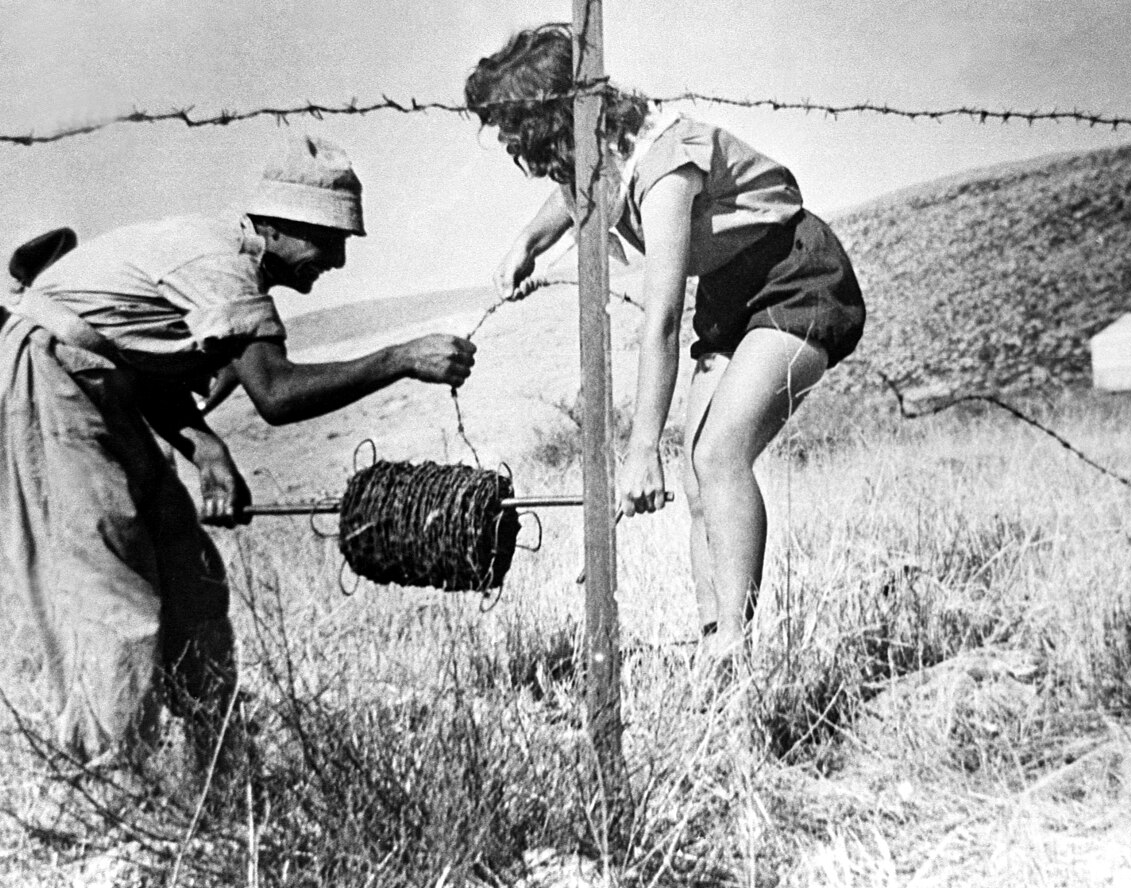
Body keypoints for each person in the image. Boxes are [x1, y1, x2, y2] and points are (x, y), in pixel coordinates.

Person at [0, 135, 476, 772]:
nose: (334, 260)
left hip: (100, 385)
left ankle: (219, 779)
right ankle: (112, 794)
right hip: (50, 382)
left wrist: (207, 450)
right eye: (326, 240)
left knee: (190, 577)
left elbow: (135, 361)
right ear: (276, 228)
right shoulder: (222, 266)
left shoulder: (227, 269)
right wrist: (399, 358)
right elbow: (276, 395)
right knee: (110, 593)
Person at [466, 25, 865, 666]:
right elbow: (579, 188)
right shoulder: (609, 147)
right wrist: (528, 241)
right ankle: (716, 643)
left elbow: (662, 319)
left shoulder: (664, 165)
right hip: (732, 292)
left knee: (720, 452)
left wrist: (641, 447)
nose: (515, 148)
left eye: (517, 133)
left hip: (795, 277)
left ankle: (738, 650)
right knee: (699, 474)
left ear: (547, 121)